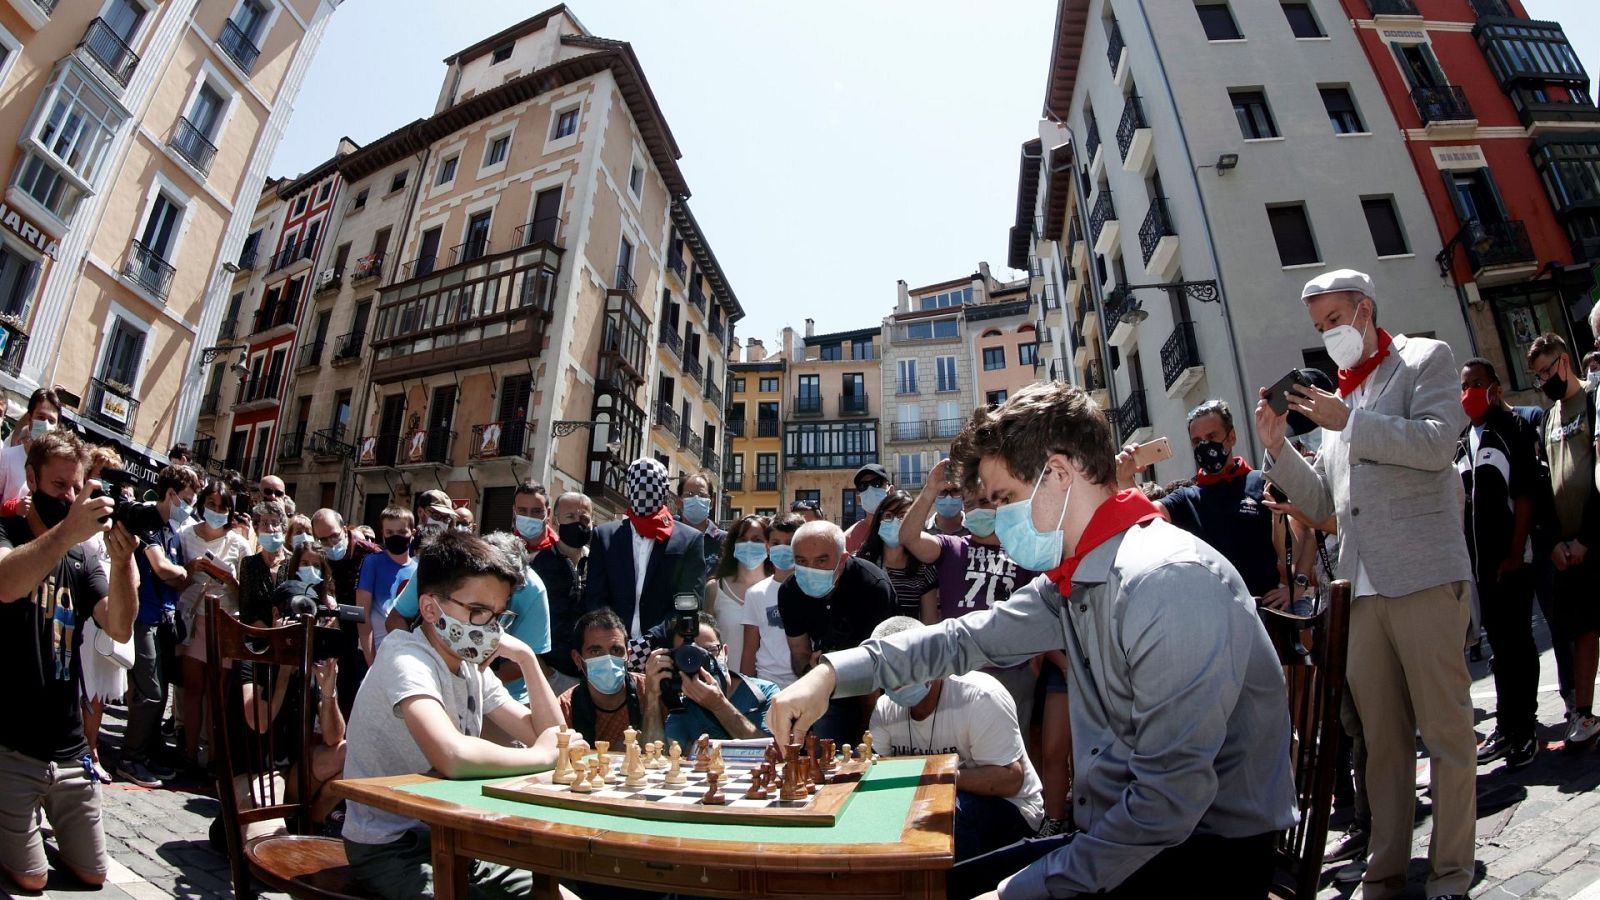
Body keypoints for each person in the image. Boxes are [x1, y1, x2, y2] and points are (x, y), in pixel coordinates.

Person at [770, 381, 1296, 899]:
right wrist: (831, 674)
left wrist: (1017, 892)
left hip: (1204, 856)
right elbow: (958, 640)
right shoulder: (1076, 580)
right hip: (1126, 836)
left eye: (1005, 499)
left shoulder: (1167, 579)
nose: (997, 520)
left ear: (1061, 474)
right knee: (913, 886)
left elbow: (1167, 805)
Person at [1255, 269, 1474, 900]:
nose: (1328, 335)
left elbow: (1437, 444)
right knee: (1381, 744)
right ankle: (1386, 873)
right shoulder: (1338, 406)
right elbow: (1324, 504)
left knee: (1448, 731)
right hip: (1361, 588)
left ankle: (1453, 874)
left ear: (1364, 308)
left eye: (1334, 320)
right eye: (1318, 327)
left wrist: (1348, 420)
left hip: (1424, 575)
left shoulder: (1424, 359)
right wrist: (1279, 453)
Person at [341, 531, 578, 899]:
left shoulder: (469, 666)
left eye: (498, 617)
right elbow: (451, 755)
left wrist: (527, 660)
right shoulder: (405, 658)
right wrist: (540, 756)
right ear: (431, 609)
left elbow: (553, 737)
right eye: (479, 612)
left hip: (454, 836)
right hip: (390, 847)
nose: (490, 628)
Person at [0, 429, 137, 891]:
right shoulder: (8, 530)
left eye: (79, 487)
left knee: (94, 874)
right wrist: (65, 534)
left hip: (68, 749)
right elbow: (6, 583)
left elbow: (117, 625)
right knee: (32, 879)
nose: (73, 498)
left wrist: (123, 565)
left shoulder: (83, 555)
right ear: (32, 478)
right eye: (60, 487)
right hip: (11, 743)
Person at [895, 458, 1039, 762]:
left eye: (985, 501)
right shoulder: (951, 546)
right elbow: (908, 538)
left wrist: (1034, 663)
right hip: (960, 671)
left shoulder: (1023, 553)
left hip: (1012, 672)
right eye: (970, 504)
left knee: (1012, 755)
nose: (977, 510)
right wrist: (930, 489)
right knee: (961, 755)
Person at [867, 616, 1044, 862]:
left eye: (905, 668)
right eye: (887, 672)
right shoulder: (885, 708)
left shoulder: (981, 696)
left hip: (1010, 807)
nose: (897, 680)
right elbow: (879, 773)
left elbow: (1010, 779)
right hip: (926, 803)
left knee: (944, 816)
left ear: (931, 663)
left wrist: (933, 774)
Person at [1457, 357, 1543, 769]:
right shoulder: (1462, 441)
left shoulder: (1513, 430)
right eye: (1465, 384)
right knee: (1500, 650)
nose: (1470, 391)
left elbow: (1524, 495)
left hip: (1510, 563)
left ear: (1495, 387)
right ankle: (1507, 726)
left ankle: (1525, 730)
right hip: (1478, 570)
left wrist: (1514, 553)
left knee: (1519, 645)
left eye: (1478, 383)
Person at [1118, 400, 1288, 606]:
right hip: (1218, 617)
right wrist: (1126, 479)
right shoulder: (1186, 498)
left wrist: (1296, 587)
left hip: (1268, 615)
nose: (1204, 446)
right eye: (1197, 441)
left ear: (1231, 437)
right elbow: (1144, 517)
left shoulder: (1262, 481)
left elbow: (1298, 540)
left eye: (1212, 436)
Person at [1527, 332, 1599, 747]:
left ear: (1565, 361)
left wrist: (1588, 538)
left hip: (1595, 536)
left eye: (1547, 370)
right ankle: (1586, 714)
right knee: (1583, 630)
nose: (1544, 380)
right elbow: (1547, 482)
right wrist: (1556, 541)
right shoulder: (1550, 415)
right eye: (1538, 376)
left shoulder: (1593, 400)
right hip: (1569, 545)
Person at [229, 579, 347, 828]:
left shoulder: (313, 662)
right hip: (253, 770)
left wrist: (328, 693)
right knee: (263, 836)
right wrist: (282, 674)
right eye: (295, 620)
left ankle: (311, 823)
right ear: (275, 615)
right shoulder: (252, 655)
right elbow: (258, 723)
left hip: (292, 772)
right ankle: (240, 824)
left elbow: (334, 739)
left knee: (349, 756)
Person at [776, 520, 893, 744]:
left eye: (821, 560)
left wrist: (865, 735)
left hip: (877, 687)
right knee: (822, 749)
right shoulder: (790, 592)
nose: (811, 569)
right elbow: (799, 651)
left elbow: (879, 664)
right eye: (802, 561)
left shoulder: (872, 586)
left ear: (843, 560)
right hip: (826, 690)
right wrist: (810, 673)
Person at [118, 464, 198, 789]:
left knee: (160, 690)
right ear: (171, 494)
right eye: (188, 498)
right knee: (150, 692)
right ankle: (130, 758)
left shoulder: (173, 533)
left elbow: (176, 576)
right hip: (144, 616)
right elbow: (162, 568)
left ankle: (147, 752)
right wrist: (180, 573)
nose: (190, 506)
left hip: (164, 619)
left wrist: (178, 574)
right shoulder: (149, 521)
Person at [584, 458, 707, 670]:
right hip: (611, 652)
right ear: (629, 488)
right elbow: (595, 596)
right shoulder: (605, 536)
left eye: (651, 486)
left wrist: (650, 641)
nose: (643, 493)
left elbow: (689, 603)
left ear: (664, 491)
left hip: (665, 652)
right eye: (637, 486)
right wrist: (615, 639)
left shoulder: (689, 539)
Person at [177, 479, 252, 768]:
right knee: (193, 688)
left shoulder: (240, 544)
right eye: (211, 505)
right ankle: (189, 751)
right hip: (192, 617)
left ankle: (214, 755)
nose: (216, 511)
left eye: (222, 507)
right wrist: (190, 568)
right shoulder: (185, 535)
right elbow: (175, 577)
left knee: (217, 693)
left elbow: (245, 591)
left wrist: (228, 579)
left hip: (224, 621)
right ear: (202, 504)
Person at [643, 613, 778, 748]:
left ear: (725, 652)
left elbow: (774, 753)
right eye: (689, 655)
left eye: (709, 651)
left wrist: (720, 706)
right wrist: (652, 697)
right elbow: (656, 756)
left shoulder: (764, 693)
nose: (701, 661)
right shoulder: (684, 704)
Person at [311, 509, 380, 712]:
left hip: (365, 636)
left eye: (334, 536)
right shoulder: (318, 555)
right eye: (323, 539)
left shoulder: (370, 554)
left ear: (344, 528)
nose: (331, 544)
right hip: (336, 635)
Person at [532, 490, 592, 695]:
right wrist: (545, 671)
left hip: (591, 675)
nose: (579, 523)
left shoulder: (598, 564)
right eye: (570, 517)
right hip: (553, 675)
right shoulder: (538, 565)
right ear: (555, 521)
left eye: (585, 518)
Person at [557, 609, 646, 747]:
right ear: (577, 659)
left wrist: (653, 705)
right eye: (595, 652)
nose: (608, 660)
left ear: (628, 655)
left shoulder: (649, 690)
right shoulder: (564, 708)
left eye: (616, 650)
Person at [856, 489, 940, 623]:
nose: (895, 522)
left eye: (903, 516)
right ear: (879, 520)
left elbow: (929, 624)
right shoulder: (861, 564)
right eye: (888, 516)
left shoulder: (924, 569)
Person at [740, 513, 802, 687]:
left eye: (790, 543)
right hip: (767, 683)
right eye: (776, 543)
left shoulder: (813, 589)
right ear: (767, 546)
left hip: (804, 681)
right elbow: (750, 649)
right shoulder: (755, 593)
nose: (783, 548)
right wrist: (745, 692)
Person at [704, 515, 771, 668]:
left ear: (769, 545)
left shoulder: (779, 590)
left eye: (757, 540)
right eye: (742, 539)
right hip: (725, 686)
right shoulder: (715, 588)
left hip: (770, 687)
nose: (749, 544)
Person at [356, 506, 414, 665]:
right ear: (383, 534)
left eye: (402, 532)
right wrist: (371, 662)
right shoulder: (372, 562)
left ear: (412, 534)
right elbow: (363, 617)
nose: (396, 537)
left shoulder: (417, 569)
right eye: (390, 533)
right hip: (373, 653)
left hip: (404, 656)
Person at [0, 387, 63, 505]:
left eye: (51, 421)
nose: (45, 424)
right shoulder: (6, 458)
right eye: (41, 417)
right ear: (29, 420)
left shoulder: (57, 469)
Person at [238, 500, 291, 628]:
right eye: (265, 523)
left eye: (275, 523)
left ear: (283, 528)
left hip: (289, 633)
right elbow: (247, 610)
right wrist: (268, 634)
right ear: (256, 529)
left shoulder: (294, 562)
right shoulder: (249, 564)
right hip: (257, 637)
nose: (270, 528)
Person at [677, 472, 726, 572]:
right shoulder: (668, 536)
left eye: (702, 495)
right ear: (679, 502)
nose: (696, 499)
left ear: (711, 502)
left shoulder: (724, 541)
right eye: (689, 494)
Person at [844, 463, 893, 553]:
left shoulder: (904, 530)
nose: (870, 489)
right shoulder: (849, 539)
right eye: (863, 486)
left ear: (891, 491)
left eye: (877, 483)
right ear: (858, 499)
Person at [511, 480, 558, 556]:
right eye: (522, 510)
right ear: (514, 512)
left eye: (536, 511)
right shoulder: (504, 549)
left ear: (548, 513)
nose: (529, 517)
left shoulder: (561, 551)